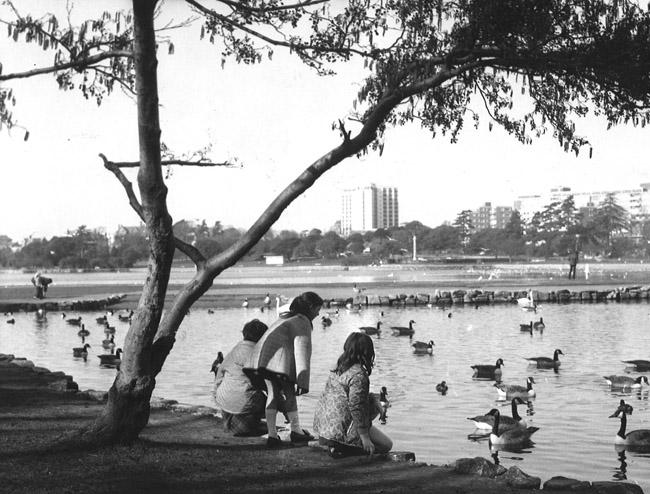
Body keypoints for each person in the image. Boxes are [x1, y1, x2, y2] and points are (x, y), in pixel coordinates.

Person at [244, 291, 324, 448]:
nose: (319, 313)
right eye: (317, 309)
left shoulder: (286, 317)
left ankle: (272, 435)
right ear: (310, 307)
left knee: (272, 394)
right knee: (290, 393)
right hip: (276, 360)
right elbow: (302, 349)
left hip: (262, 358)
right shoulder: (303, 321)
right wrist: (302, 380)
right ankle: (295, 430)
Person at [313, 332, 393, 458]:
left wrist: (373, 398)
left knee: (370, 400)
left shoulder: (337, 368)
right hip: (339, 435)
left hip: (324, 431)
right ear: (368, 352)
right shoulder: (359, 375)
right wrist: (365, 437)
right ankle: (347, 448)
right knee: (386, 445)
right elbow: (356, 406)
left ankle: (336, 444)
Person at [214, 319, 269, 437]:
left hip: (224, 400)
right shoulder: (256, 352)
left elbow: (219, 375)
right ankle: (250, 426)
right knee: (270, 395)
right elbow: (264, 382)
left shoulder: (236, 349)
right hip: (243, 400)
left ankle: (238, 424)